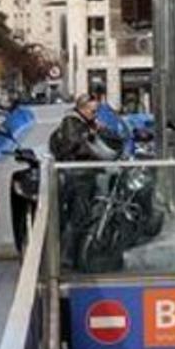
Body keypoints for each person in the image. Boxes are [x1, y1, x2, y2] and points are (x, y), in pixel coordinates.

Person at [49, 94, 114, 265]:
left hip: (83, 174)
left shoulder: (83, 123)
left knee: (83, 214)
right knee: (78, 215)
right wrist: (91, 137)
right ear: (83, 109)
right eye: (93, 111)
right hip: (78, 176)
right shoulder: (72, 124)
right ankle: (68, 256)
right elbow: (78, 146)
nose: (95, 114)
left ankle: (74, 254)